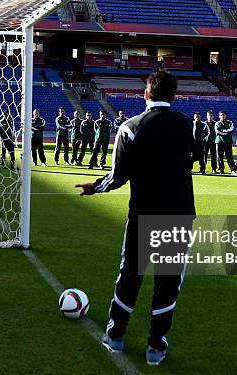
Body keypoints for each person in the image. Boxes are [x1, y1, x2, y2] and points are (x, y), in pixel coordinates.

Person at [75, 71, 196, 366]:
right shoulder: (187, 126)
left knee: (131, 275)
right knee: (168, 283)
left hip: (144, 214)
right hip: (180, 216)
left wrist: (94, 187)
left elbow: (117, 177)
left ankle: (115, 337)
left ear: (146, 94)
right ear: (174, 96)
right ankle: (155, 347)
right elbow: (194, 158)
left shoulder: (130, 128)